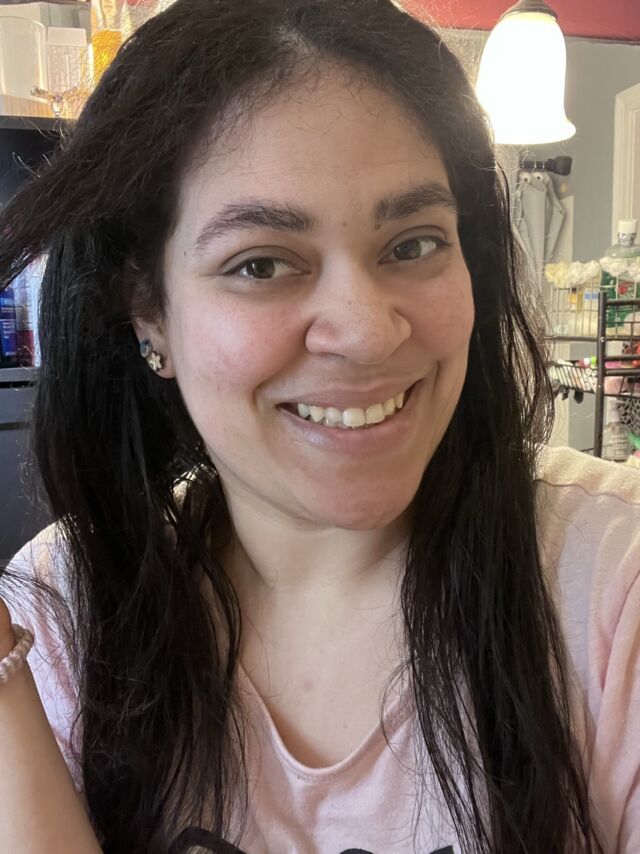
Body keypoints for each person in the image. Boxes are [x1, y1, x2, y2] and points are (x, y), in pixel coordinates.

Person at [0, 0, 638, 851]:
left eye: (413, 244)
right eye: (262, 263)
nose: (368, 332)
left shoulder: (612, 583)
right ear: (146, 310)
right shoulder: (61, 611)